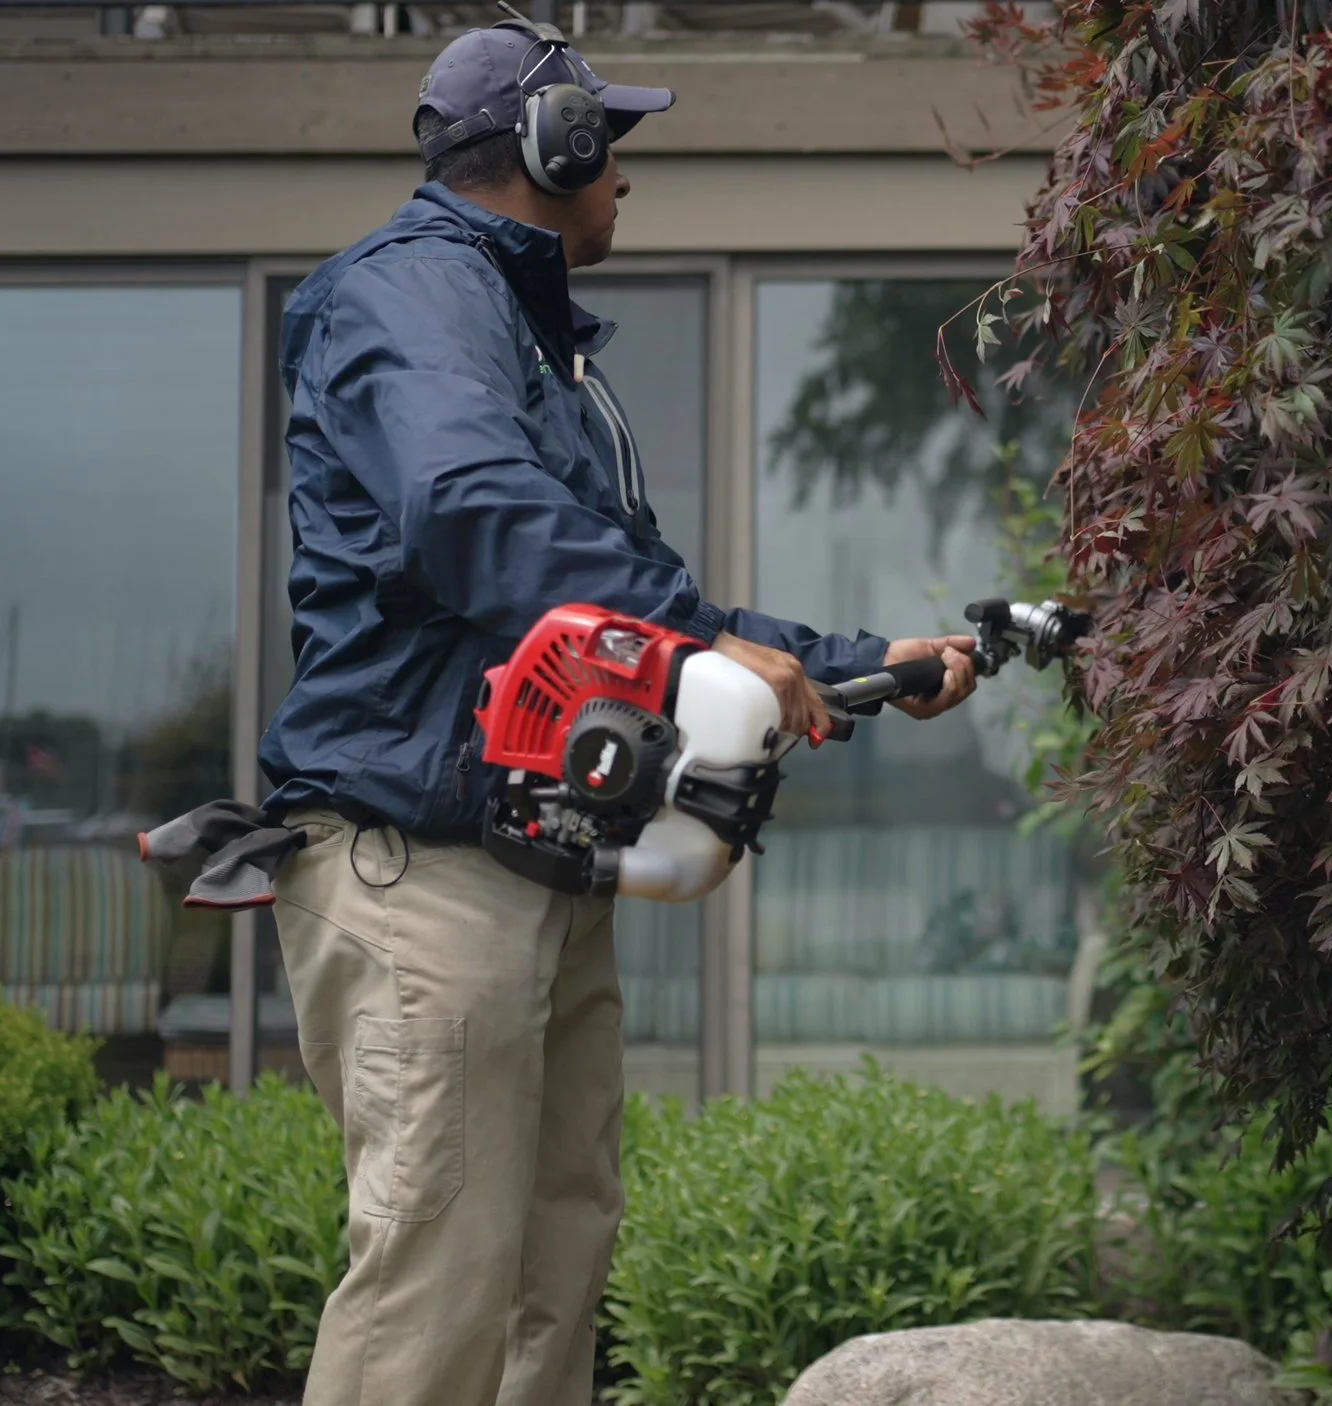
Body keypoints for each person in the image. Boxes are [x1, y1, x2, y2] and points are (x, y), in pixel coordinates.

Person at [255, 21, 978, 1406]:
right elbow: (475, 516)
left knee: (551, 1266)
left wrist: (852, 658)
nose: (627, 180)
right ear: (552, 150)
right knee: (436, 1278)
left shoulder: (523, 347)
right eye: (613, 148)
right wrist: (703, 642)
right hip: (422, 866)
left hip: (538, 858)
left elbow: (630, 598)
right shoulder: (412, 295)